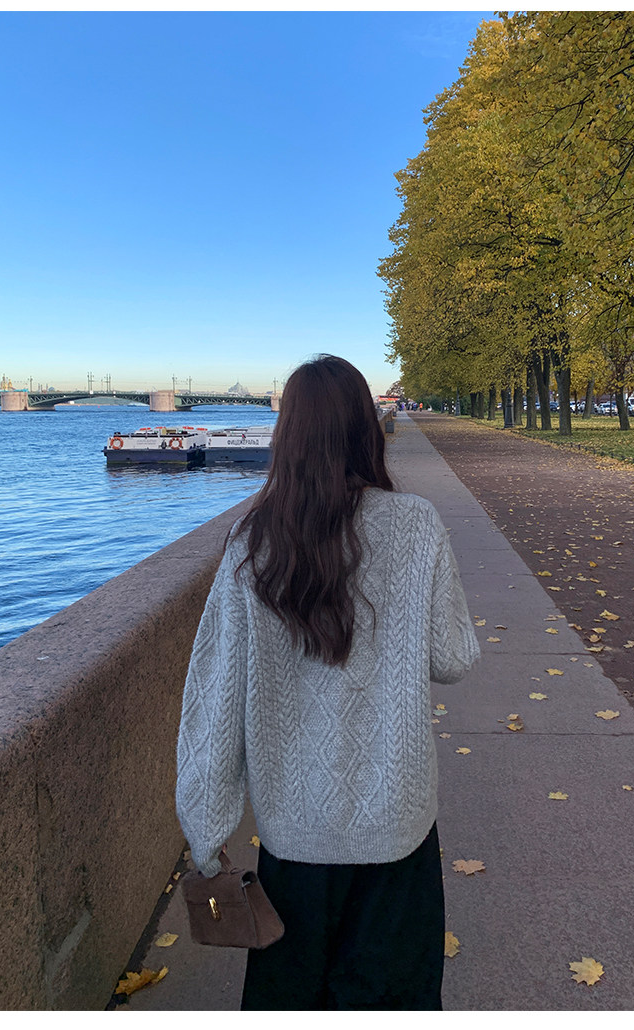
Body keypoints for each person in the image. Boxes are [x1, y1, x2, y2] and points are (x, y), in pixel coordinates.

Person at [176, 354, 480, 1010]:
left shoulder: (252, 545)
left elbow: (213, 699)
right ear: (365, 431)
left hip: (295, 837)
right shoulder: (416, 524)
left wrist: (206, 830)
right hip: (397, 828)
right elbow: (454, 659)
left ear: (288, 436)